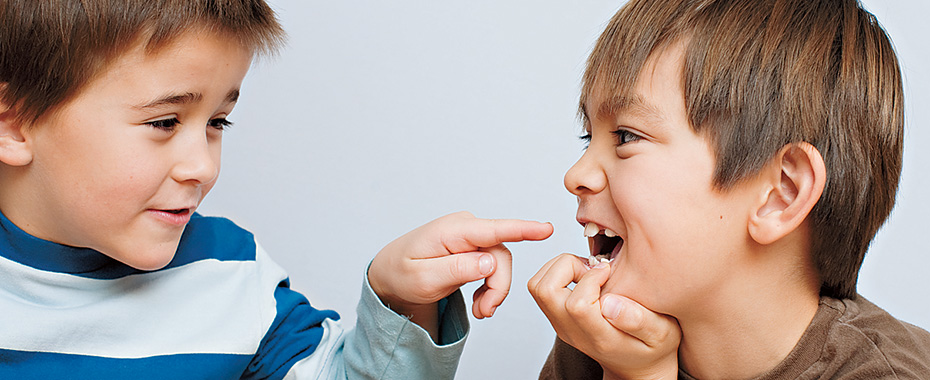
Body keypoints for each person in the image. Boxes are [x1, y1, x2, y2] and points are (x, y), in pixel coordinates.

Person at [0, 1, 552, 378]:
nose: (202, 167)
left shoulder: (231, 273)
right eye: (164, 123)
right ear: (15, 124)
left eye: (218, 123)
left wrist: (403, 301)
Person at [527, 0, 930, 379]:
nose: (576, 174)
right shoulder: (599, 340)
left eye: (625, 136)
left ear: (781, 193)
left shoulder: (894, 373)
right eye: (589, 138)